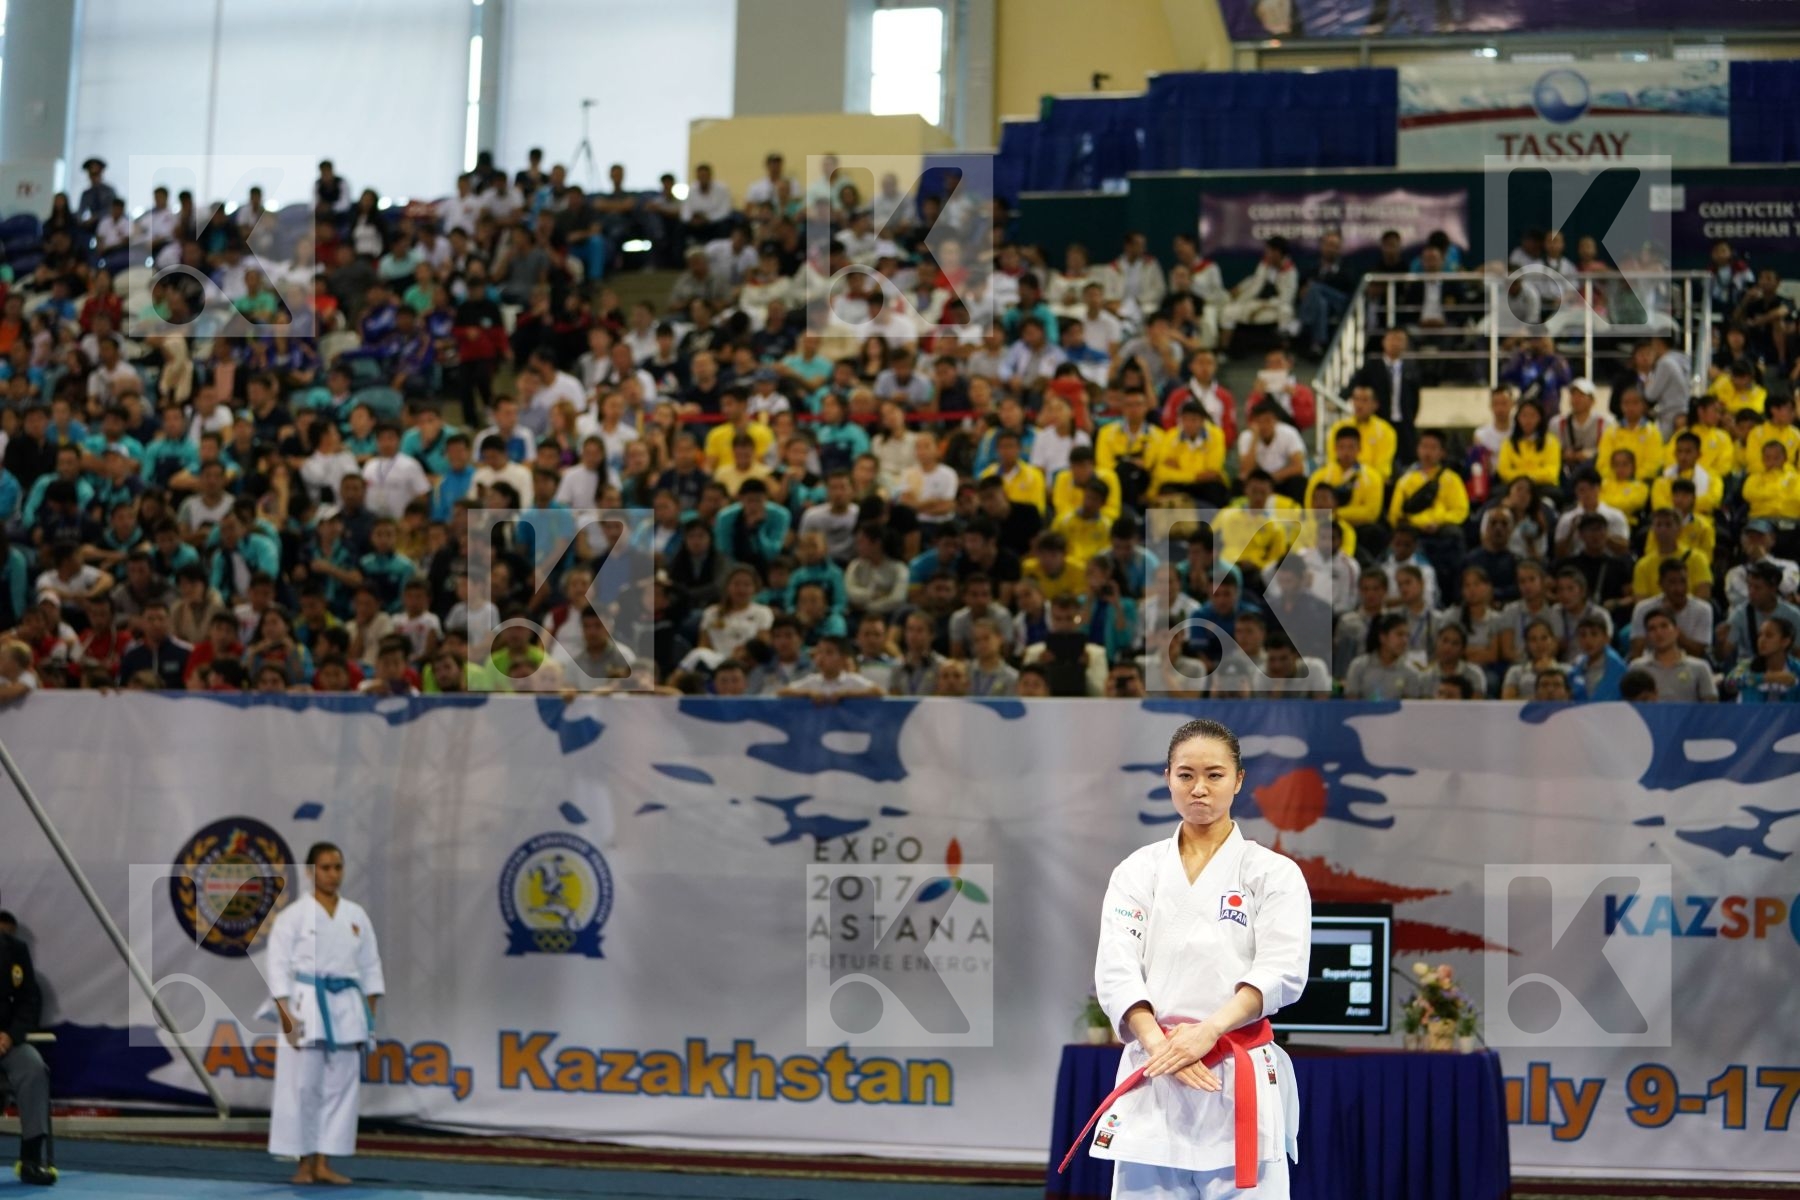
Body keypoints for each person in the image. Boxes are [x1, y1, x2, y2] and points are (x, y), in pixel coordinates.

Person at [1086, 719, 1309, 1198]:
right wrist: (1161, 1044)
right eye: (1186, 775)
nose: (1199, 789)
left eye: (1214, 774)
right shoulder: (1137, 871)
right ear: (1168, 777)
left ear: (1239, 780)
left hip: (1236, 1069)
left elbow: (1282, 971)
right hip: (1157, 1071)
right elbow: (1116, 969)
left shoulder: (1273, 873)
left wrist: (1207, 1032)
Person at [265, 842, 386, 1186]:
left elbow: (370, 967)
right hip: (306, 1004)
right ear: (310, 872)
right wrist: (285, 1016)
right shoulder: (293, 916)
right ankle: (303, 1162)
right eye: (326, 868)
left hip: (347, 1007)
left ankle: (325, 1161)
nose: (333, 874)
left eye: (338, 867)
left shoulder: (356, 916)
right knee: (303, 1088)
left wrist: (369, 1015)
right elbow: (276, 967)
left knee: (340, 1088)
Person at [0, 917, 53, 1185]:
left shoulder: (16, 949)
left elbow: (29, 1000)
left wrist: (10, 1036)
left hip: (7, 1043)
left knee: (34, 1068)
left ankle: (30, 1160)